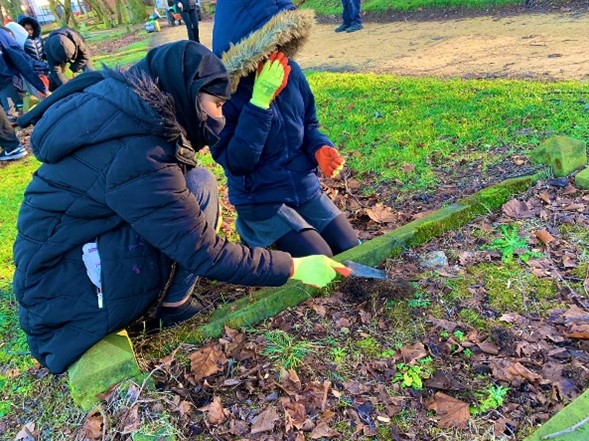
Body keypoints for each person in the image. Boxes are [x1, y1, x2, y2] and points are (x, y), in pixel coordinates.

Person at [14, 41, 349, 374]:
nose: (220, 116)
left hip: (73, 258)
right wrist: (292, 267)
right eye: (217, 105)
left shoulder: (133, 119)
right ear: (190, 93)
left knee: (198, 183)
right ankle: (164, 307)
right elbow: (203, 250)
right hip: (65, 300)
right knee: (188, 218)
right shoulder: (139, 150)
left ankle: (173, 302)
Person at [211, 0, 359, 258]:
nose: (275, 50)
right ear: (248, 44)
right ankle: (253, 233)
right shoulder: (223, 93)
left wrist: (320, 148)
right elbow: (237, 162)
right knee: (321, 256)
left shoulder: (292, 71)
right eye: (268, 42)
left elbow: (309, 124)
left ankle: (298, 227)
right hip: (261, 199)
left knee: (350, 247)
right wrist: (259, 102)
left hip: (302, 188)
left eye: (280, 39)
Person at [0, 26, 48, 124]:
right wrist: (42, 87)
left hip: (7, 81)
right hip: (5, 81)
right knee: (16, 113)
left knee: (15, 112)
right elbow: (22, 62)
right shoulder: (2, 35)